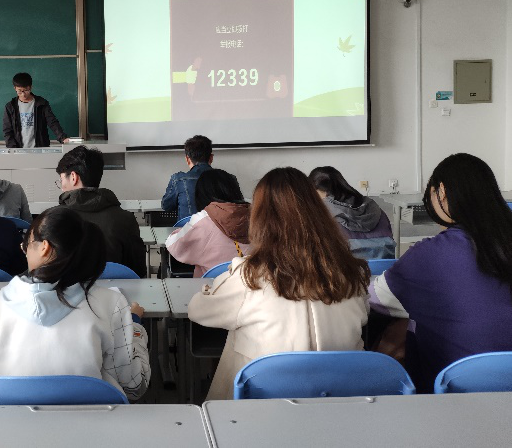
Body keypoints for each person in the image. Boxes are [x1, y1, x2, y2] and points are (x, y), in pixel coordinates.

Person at [189, 167, 370, 400]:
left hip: (265, 404)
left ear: (260, 219)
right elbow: (363, 314)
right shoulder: (351, 272)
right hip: (341, 399)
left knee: (239, 341)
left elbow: (197, 310)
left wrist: (222, 280)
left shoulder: (249, 276)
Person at [369, 153, 512, 393]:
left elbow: (374, 299)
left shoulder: (428, 254)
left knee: (402, 325)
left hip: (454, 391)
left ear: (442, 191)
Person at [0, 207, 150, 400]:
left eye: (26, 245)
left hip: (12, 414)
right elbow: (134, 386)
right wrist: (135, 327)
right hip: (91, 416)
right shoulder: (111, 303)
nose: (25, 252)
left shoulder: (1, 302)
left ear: (44, 248)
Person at [56, 146, 146, 277]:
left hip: (67, 290)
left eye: (62, 180)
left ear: (74, 177)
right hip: (116, 289)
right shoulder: (125, 219)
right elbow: (138, 271)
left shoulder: (53, 218)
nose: (61, 187)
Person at [165, 169, 250, 278]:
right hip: (252, 284)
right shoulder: (258, 216)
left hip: (213, 286)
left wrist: (179, 231)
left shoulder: (203, 220)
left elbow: (174, 246)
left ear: (201, 195)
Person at [309, 166, 396, 260]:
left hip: (346, 267)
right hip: (383, 265)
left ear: (320, 191)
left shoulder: (322, 212)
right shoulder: (372, 206)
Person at [3, 72, 69, 148]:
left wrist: (62, 138)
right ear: (15, 88)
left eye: (26, 90)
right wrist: (12, 148)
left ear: (31, 87)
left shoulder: (41, 103)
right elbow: (7, 130)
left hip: (40, 148)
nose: (23, 94)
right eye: (19, 91)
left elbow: (52, 122)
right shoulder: (10, 107)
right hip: (18, 150)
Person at [161, 135, 213, 220]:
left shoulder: (178, 180)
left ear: (187, 159)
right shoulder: (227, 179)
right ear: (211, 158)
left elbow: (166, 206)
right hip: (217, 228)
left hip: (188, 228)